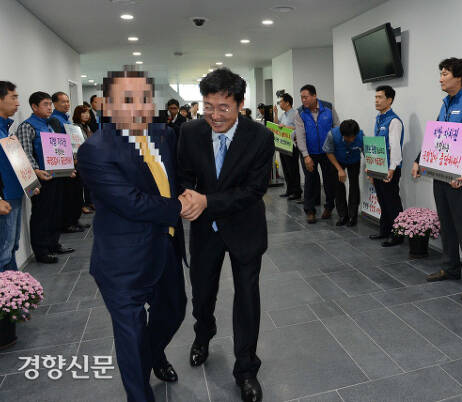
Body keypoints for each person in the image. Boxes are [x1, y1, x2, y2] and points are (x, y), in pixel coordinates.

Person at [76, 68, 188, 402]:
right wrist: (182, 207)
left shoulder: (163, 134)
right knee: (132, 334)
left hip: (166, 244)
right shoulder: (95, 149)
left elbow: (174, 180)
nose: (138, 106)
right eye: (127, 99)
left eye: (144, 98)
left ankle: (153, 355)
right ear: (108, 104)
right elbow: (131, 202)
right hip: (123, 258)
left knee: (174, 311)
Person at [178, 67, 274, 402]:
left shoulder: (259, 137)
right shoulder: (190, 132)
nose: (215, 116)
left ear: (240, 104)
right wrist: (186, 196)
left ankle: (246, 369)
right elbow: (183, 175)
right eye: (208, 107)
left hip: (245, 227)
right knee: (202, 293)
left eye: (223, 108)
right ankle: (203, 334)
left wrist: (207, 201)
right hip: (205, 229)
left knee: (247, 299)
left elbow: (254, 189)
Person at [412, 58, 462, 301]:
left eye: (445, 73)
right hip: (441, 171)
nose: (441, 78)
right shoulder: (445, 104)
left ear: (459, 77)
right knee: (446, 221)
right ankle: (451, 267)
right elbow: (437, 136)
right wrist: (419, 159)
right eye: (441, 73)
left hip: (461, 175)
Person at [16, 91, 73, 264]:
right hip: (40, 179)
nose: (50, 108)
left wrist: (67, 168)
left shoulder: (50, 125)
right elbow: (25, 154)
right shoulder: (27, 126)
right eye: (45, 104)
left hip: (56, 176)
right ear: (34, 107)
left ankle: (53, 244)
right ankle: (41, 251)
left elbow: (59, 151)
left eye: (50, 104)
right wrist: (35, 170)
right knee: (42, 214)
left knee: (56, 212)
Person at [0, 81, 34, 273]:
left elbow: (14, 163)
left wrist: (32, 181)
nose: (18, 103)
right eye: (13, 97)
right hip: (2, 199)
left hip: (13, 195)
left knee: (10, 247)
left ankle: (13, 287)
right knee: (0, 251)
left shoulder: (5, 128)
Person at [294, 84, 340, 223]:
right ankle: (310, 210)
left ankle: (329, 207)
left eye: (306, 97)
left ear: (314, 96)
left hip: (327, 152)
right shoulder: (300, 113)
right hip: (309, 153)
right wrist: (305, 155)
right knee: (310, 181)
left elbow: (336, 126)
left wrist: (334, 147)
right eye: (302, 97)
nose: (303, 100)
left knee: (329, 181)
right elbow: (300, 136)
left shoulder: (328, 108)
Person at [368, 85, 404, 247]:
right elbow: (377, 146)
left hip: (390, 169)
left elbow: (395, 147)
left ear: (389, 100)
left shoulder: (394, 121)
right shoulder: (379, 118)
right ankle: (384, 230)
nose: (376, 100)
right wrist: (371, 168)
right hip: (379, 167)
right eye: (375, 97)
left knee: (392, 202)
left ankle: (397, 235)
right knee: (382, 201)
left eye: (380, 97)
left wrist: (391, 169)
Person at [50, 92, 88, 233]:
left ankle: (74, 220)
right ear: (55, 104)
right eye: (63, 101)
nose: (67, 104)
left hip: (75, 161)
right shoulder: (55, 120)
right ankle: (69, 223)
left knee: (76, 193)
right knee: (70, 195)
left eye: (67, 101)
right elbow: (59, 144)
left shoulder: (66, 119)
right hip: (67, 163)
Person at [324, 119, 363, 227]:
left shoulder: (361, 135)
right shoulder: (332, 135)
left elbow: (366, 151)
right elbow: (329, 152)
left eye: (353, 137)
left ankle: (353, 216)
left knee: (354, 186)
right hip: (337, 160)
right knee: (338, 186)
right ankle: (342, 215)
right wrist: (339, 169)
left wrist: (370, 168)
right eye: (348, 138)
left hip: (354, 160)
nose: (351, 140)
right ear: (342, 134)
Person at [272, 93, 302, 200]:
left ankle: (297, 191)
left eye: (281, 102)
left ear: (287, 103)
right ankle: (289, 190)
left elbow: (299, 127)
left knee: (293, 169)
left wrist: (285, 127)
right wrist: (276, 113)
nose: (279, 104)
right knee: (286, 169)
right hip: (283, 145)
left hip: (292, 145)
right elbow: (276, 124)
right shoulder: (283, 114)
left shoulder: (295, 114)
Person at [72, 105, 94, 214]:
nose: (86, 115)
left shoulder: (87, 127)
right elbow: (74, 145)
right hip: (80, 159)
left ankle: (90, 202)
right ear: (78, 114)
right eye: (83, 113)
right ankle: (83, 205)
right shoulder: (75, 127)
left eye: (87, 113)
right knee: (81, 184)